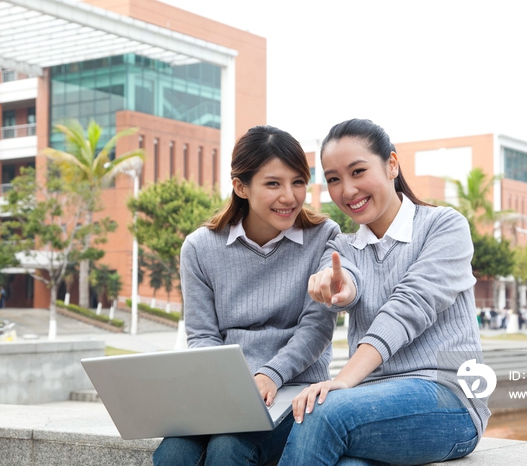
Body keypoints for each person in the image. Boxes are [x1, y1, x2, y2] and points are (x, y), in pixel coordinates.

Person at [278, 119, 490, 466]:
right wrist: (340, 287)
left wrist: (343, 381)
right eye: (333, 179)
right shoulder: (341, 247)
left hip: (451, 397)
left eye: (358, 171)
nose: (347, 190)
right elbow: (344, 276)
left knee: (323, 413)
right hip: (373, 401)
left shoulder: (444, 226)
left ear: (392, 164)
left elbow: (407, 307)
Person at [152, 125, 340, 466]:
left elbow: (316, 330)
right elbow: (203, 335)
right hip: (226, 392)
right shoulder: (199, 247)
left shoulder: (324, 236)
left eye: (298, 181)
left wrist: (270, 375)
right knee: (172, 456)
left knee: (229, 451)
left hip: (295, 389)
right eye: (273, 183)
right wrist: (230, 386)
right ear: (241, 186)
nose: (290, 196)